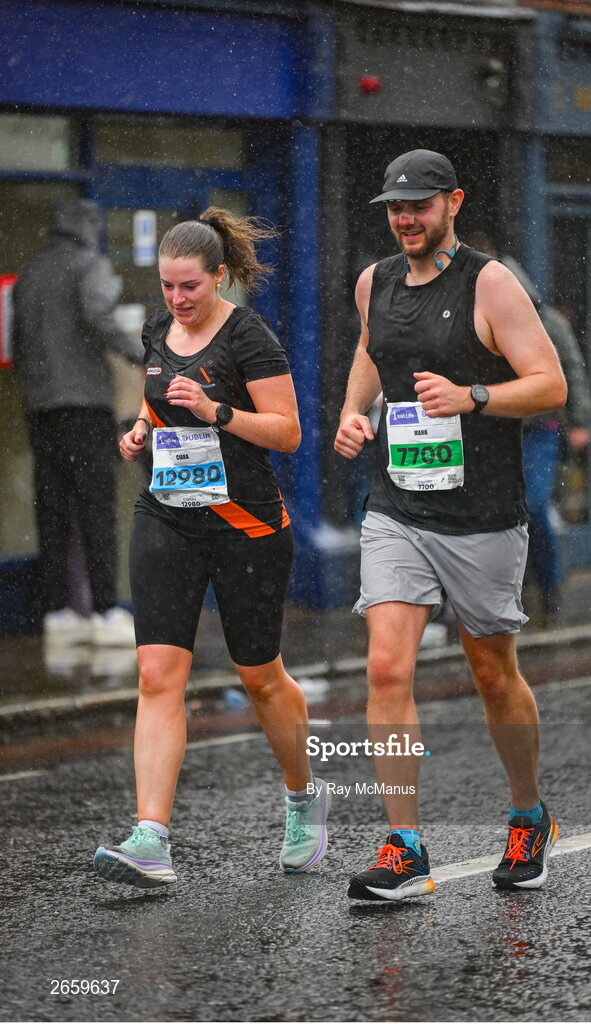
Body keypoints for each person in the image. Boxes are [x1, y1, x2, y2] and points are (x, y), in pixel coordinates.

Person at [334, 150, 567, 900]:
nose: (405, 219)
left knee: (493, 675)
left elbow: (548, 385)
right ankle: (404, 847)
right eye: (395, 208)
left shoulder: (490, 283)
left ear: (452, 204)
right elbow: (373, 355)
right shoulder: (376, 281)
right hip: (397, 506)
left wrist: (472, 396)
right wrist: (352, 414)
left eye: (419, 206)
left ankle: (528, 813)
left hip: (481, 515)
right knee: (385, 668)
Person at [93, 207, 329, 888]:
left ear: (219, 276)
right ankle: (151, 838)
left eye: (188, 287)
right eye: (167, 287)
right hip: (167, 513)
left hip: (244, 525)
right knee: (156, 676)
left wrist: (216, 411)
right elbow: (153, 403)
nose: (176, 300)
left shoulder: (250, 337)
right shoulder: (157, 331)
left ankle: (301, 797)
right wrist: (139, 431)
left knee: (258, 676)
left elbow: (286, 433)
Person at [12, 198, 142, 646]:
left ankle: (59, 614)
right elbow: (98, 315)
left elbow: (18, 341)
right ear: (88, 227)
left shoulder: (31, 274)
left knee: (52, 510)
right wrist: (145, 355)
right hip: (86, 406)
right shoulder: (90, 265)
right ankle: (105, 612)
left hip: (41, 407)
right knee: (96, 508)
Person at [466, 234, 591, 625]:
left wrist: (581, 420)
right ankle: (499, 595)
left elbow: (570, 367)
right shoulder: (468, 316)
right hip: (488, 431)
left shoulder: (543, 318)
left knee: (532, 507)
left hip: (538, 430)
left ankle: (548, 588)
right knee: (490, 512)